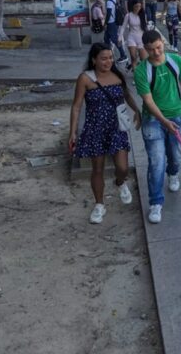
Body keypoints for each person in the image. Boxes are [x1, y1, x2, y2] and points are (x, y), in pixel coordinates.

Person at [69, 43, 142, 224]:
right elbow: (77, 106)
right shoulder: (85, 79)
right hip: (95, 129)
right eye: (103, 58)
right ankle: (99, 204)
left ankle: (119, 182)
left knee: (123, 168)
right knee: (98, 169)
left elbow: (127, 95)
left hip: (116, 128)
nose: (108, 61)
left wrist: (137, 111)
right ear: (94, 60)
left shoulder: (117, 76)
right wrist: (73, 132)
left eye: (110, 57)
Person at [134, 30, 181, 224]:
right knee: (156, 161)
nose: (156, 53)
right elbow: (148, 101)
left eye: (159, 47)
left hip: (176, 116)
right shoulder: (141, 71)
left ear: (163, 43)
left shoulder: (176, 60)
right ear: (145, 49)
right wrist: (163, 122)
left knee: (175, 155)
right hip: (153, 120)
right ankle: (155, 202)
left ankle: (173, 173)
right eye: (151, 50)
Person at [103, 0, 128, 64]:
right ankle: (107, 54)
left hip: (111, 22)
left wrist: (105, 23)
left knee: (114, 39)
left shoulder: (109, 2)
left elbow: (109, 13)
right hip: (114, 22)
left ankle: (123, 55)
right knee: (106, 38)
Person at [120, 0, 147, 71]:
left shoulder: (143, 15)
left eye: (140, 6)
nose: (138, 8)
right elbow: (123, 27)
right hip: (131, 37)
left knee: (143, 59)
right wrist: (119, 37)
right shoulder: (128, 15)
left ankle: (142, 73)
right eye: (136, 6)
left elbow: (145, 28)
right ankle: (135, 76)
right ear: (133, 7)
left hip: (141, 38)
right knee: (133, 57)